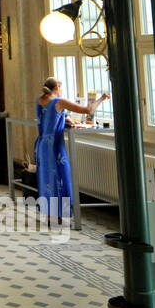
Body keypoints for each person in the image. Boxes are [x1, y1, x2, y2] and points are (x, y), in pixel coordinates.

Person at [35, 78, 105, 223]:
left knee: (46, 179)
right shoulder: (59, 101)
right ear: (58, 87)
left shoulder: (40, 100)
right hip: (54, 145)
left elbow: (49, 118)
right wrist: (101, 99)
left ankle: (50, 215)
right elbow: (87, 110)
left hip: (42, 144)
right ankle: (61, 214)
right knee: (61, 177)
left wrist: (64, 117)